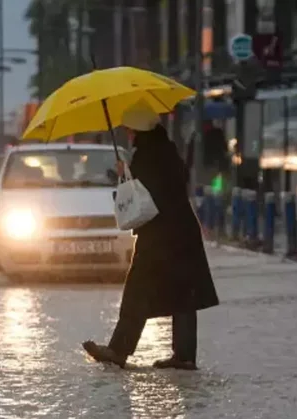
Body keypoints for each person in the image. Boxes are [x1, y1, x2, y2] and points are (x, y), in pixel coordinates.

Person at [82, 100, 219, 370]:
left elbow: (145, 196)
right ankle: (184, 356)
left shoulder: (148, 155)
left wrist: (126, 175)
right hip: (181, 232)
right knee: (184, 293)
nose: (128, 135)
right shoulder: (166, 150)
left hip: (160, 234)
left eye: (129, 130)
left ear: (137, 130)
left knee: (138, 288)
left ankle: (119, 350)